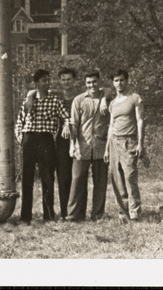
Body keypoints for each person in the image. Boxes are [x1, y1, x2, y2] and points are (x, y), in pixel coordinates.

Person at [14, 68, 69, 224]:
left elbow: (66, 117)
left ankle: (49, 215)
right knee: (27, 179)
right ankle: (25, 216)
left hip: (46, 140)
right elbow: (19, 122)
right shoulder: (28, 101)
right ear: (36, 83)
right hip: (29, 138)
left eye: (48, 80)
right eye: (43, 80)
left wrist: (65, 125)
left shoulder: (55, 100)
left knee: (47, 178)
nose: (47, 83)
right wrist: (21, 139)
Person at [66, 70, 110, 221]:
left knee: (100, 182)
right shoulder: (78, 100)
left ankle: (97, 215)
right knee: (77, 179)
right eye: (89, 83)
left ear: (99, 82)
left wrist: (104, 99)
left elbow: (110, 90)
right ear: (85, 84)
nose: (92, 85)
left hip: (100, 147)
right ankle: (74, 215)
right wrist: (72, 144)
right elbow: (73, 124)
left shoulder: (107, 99)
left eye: (94, 82)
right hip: (82, 146)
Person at [105, 69, 145, 223]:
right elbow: (111, 126)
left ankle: (135, 213)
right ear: (113, 83)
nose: (119, 83)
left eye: (122, 80)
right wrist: (108, 149)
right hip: (114, 142)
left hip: (129, 142)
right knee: (117, 179)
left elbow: (140, 121)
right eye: (116, 80)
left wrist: (140, 143)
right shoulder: (113, 103)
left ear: (127, 81)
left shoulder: (134, 98)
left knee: (130, 177)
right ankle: (123, 213)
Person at [55, 66, 79, 220]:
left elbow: (106, 91)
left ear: (74, 80)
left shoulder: (81, 96)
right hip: (61, 140)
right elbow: (33, 91)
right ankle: (64, 212)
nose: (66, 82)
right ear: (59, 81)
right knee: (63, 176)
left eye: (69, 79)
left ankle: (77, 211)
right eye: (63, 79)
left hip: (78, 139)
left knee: (77, 177)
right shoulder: (55, 96)